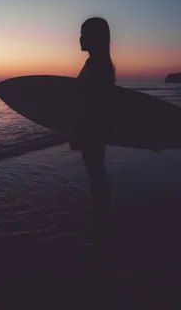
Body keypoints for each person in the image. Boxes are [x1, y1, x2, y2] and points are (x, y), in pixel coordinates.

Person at [69, 17, 116, 259]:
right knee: (96, 171)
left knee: (96, 171)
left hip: (93, 128)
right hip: (95, 127)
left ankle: (101, 222)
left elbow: (95, 104)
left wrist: (80, 130)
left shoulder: (98, 66)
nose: (80, 38)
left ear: (96, 37)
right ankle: (100, 211)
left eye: (84, 33)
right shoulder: (97, 63)